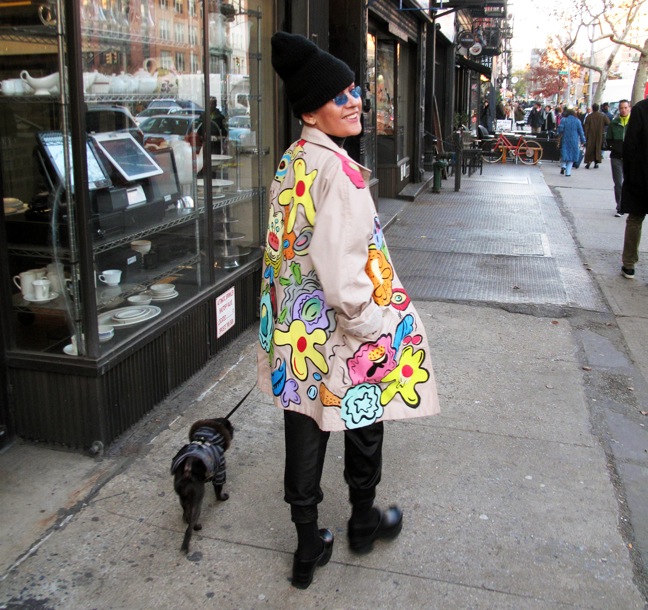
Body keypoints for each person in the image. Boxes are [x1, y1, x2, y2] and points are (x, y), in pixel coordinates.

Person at [259, 32, 440, 589]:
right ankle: (363, 521)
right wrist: (370, 326)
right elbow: (342, 272)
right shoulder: (341, 173)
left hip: (296, 331)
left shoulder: (294, 161)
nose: (355, 99)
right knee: (363, 416)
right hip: (341, 326)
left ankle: (308, 544)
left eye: (355, 88)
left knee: (303, 424)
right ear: (312, 111)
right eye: (340, 96)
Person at [619, 98, 648, 279]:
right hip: (640, 174)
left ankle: (629, 264)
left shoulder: (640, 110)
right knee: (635, 220)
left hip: (641, 176)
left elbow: (629, 145)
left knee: (635, 219)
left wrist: (629, 173)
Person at [605, 99, 631, 217]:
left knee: (629, 182)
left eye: (625, 108)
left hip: (630, 157)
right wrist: (614, 147)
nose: (623, 110)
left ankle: (628, 204)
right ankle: (620, 206)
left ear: (629, 108)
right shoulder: (614, 123)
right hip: (616, 156)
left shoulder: (634, 122)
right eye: (621, 108)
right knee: (618, 182)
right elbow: (608, 138)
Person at [557, 108, 586, 177]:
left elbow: (560, 130)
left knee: (565, 153)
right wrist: (583, 140)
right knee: (572, 156)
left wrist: (558, 133)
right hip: (574, 140)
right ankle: (568, 172)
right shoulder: (577, 121)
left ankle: (563, 166)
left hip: (565, 139)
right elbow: (581, 132)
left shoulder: (564, 120)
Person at [583, 103, 610, 168]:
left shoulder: (589, 116)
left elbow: (586, 127)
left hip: (591, 135)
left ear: (592, 108)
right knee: (597, 148)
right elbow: (608, 122)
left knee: (590, 149)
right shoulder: (602, 116)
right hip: (599, 135)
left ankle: (589, 162)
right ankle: (596, 162)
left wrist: (585, 136)